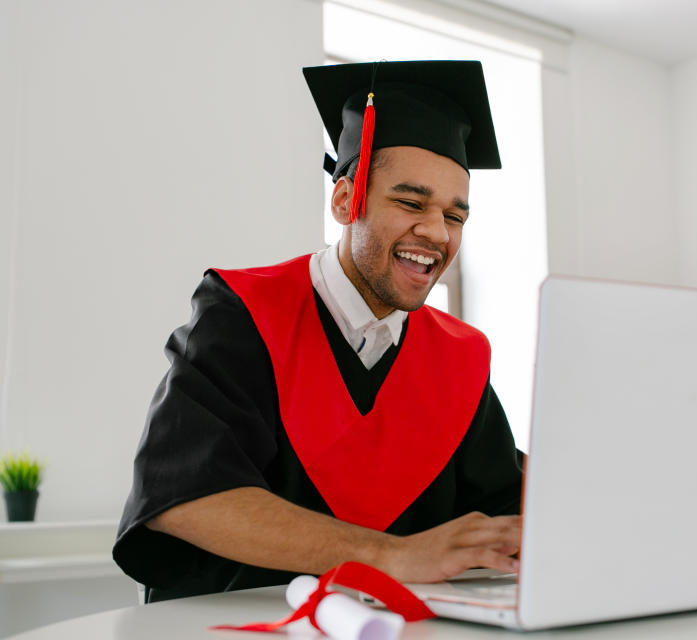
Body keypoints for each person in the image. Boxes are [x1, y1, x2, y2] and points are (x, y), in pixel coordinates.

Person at [113, 60, 524, 602]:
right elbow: (183, 498)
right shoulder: (242, 313)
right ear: (343, 199)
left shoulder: (461, 358)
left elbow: (501, 510)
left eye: (455, 215)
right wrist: (392, 555)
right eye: (410, 202)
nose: (435, 231)